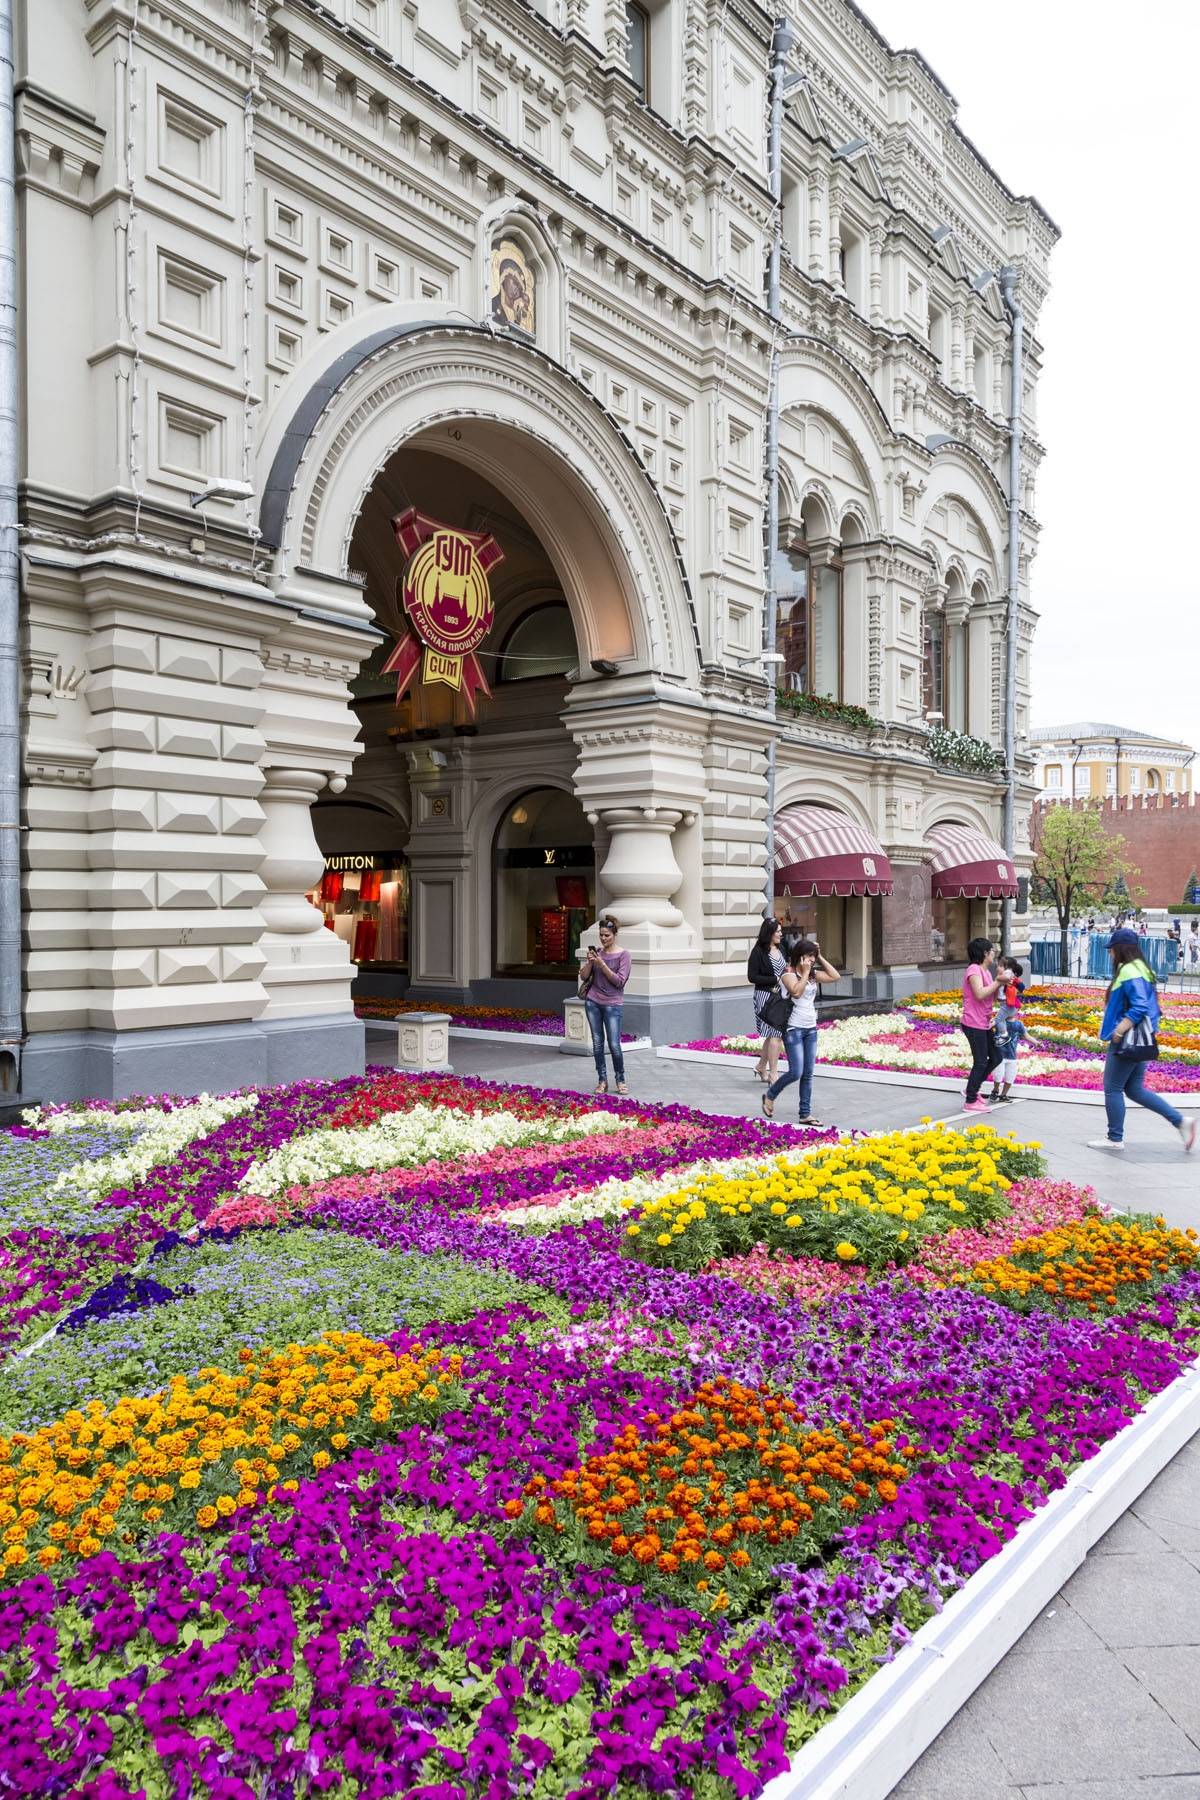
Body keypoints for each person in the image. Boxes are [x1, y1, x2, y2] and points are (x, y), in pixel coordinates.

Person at [1088, 927, 1197, 1152]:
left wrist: (1119, 1031)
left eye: (1112, 950)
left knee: (1113, 1088)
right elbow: (1151, 1008)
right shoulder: (1142, 969)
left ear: (1120, 950)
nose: (1110, 954)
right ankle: (1180, 1121)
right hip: (1141, 1039)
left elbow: (1139, 1007)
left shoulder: (1129, 971)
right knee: (1135, 1089)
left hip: (1127, 1040)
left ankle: (1114, 1138)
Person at [761, 937, 839, 1125]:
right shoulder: (788, 974)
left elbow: (835, 976)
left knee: (808, 1073)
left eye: (813, 957)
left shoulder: (812, 973)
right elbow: (796, 992)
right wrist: (804, 972)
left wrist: (820, 958)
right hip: (793, 1028)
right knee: (796, 1071)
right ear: (799, 956)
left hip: (810, 1029)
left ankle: (805, 1114)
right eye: (808, 956)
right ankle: (770, 1095)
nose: (811, 960)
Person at [582, 916, 631, 1096]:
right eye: (601, 935)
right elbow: (584, 977)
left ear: (615, 934)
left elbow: (619, 981)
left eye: (607, 935)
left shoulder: (624, 955)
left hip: (613, 1005)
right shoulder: (598, 953)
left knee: (614, 1044)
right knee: (597, 1043)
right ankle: (602, 1080)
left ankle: (620, 1079)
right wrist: (589, 962)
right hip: (593, 1002)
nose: (603, 939)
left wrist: (602, 964)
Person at [961, 936, 1004, 1111]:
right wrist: (997, 982)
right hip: (973, 1022)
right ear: (985, 953)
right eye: (992, 950)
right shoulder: (973, 970)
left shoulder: (986, 971)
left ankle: (972, 1088)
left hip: (984, 1022)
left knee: (996, 1057)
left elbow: (991, 996)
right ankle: (970, 1100)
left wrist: (1002, 986)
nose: (994, 953)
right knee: (980, 1061)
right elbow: (979, 994)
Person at [747, 918, 786, 1085]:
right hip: (764, 997)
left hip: (781, 997)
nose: (780, 934)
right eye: (778, 931)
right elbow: (752, 977)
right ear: (769, 933)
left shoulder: (781, 948)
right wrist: (776, 978)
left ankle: (761, 1066)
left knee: (773, 1035)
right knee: (775, 1034)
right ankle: (774, 1074)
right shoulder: (758, 952)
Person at [988, 957, 1025, 1103]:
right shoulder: (1009, 975)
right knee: (1000, 1020)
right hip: (1008, 1005)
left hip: (1008, 1005)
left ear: (1006, 966)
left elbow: (1003, 978)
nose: (997, 967)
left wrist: (998, 978)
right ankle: (998, 1092)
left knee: (997, 1020)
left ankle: (1003, 1034)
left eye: (999, 965)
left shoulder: (1008, 973)